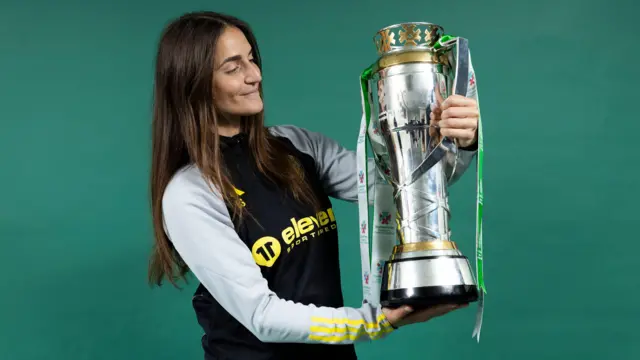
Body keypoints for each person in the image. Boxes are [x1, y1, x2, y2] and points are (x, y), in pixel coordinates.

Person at [148, 11, 480, 360]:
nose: (255, 76)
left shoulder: (296, 145)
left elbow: (401, 188)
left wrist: (454, 139)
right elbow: (262, 316)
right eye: (233, 68)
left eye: (251, 60)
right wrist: (374, 323)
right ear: (193, 84)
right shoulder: (189, 194)